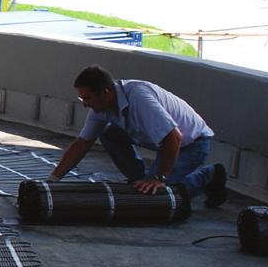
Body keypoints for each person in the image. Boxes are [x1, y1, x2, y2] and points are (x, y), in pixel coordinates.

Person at [48, 65, 227, 207]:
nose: (85, 104)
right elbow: (82, 144)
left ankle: (210, 175)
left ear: (105, 92)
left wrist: (158, 178)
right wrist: (53, 180)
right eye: (82, 99)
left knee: (157, 196)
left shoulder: (140, 98)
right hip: (163, 143)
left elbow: (174, 137)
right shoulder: (100, 108)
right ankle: (139, 177)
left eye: (87, 98)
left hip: (190, 145)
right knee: (108, 133)